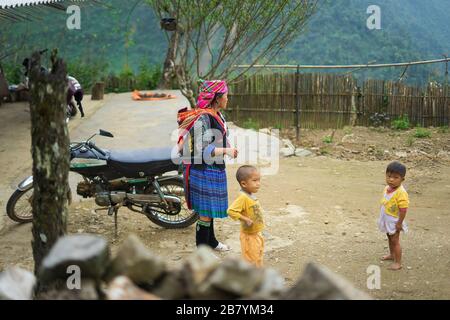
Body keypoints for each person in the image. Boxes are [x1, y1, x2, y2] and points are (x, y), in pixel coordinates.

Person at [177, 79, 238, 251]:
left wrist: (227, 148)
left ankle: (211, 242)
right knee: (205, 213)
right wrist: (226, 150)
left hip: (214, 168)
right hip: (203, 170)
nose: (228, 98)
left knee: (210, 211)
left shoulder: (217, 114)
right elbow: (200, 149)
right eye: (226, 95)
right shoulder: (202, 118)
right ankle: (202, 250)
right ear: (217, 98)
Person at [227, 165, 265, 267]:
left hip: (256, 233)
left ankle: (259, 276)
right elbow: (231, 211)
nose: (258, 184)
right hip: (249, 236)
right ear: (243, 183)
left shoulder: (250, 194)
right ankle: (251, 279)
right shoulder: (243, 198)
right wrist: (245, 219)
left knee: (258, 256)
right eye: (255, 180)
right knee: (251, 259)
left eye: (259, 180)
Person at [378, 161, 409, 271]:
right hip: (387, 218)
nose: (391, 179)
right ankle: (391, 255)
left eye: (395, 177)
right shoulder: (387, 188)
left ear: (402, 179)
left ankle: (398, 262)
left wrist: (399, 223)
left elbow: (403, 209)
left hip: (394, 220)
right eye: (389, 176)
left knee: (395, 240)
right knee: (389, 237)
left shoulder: (401, 193)